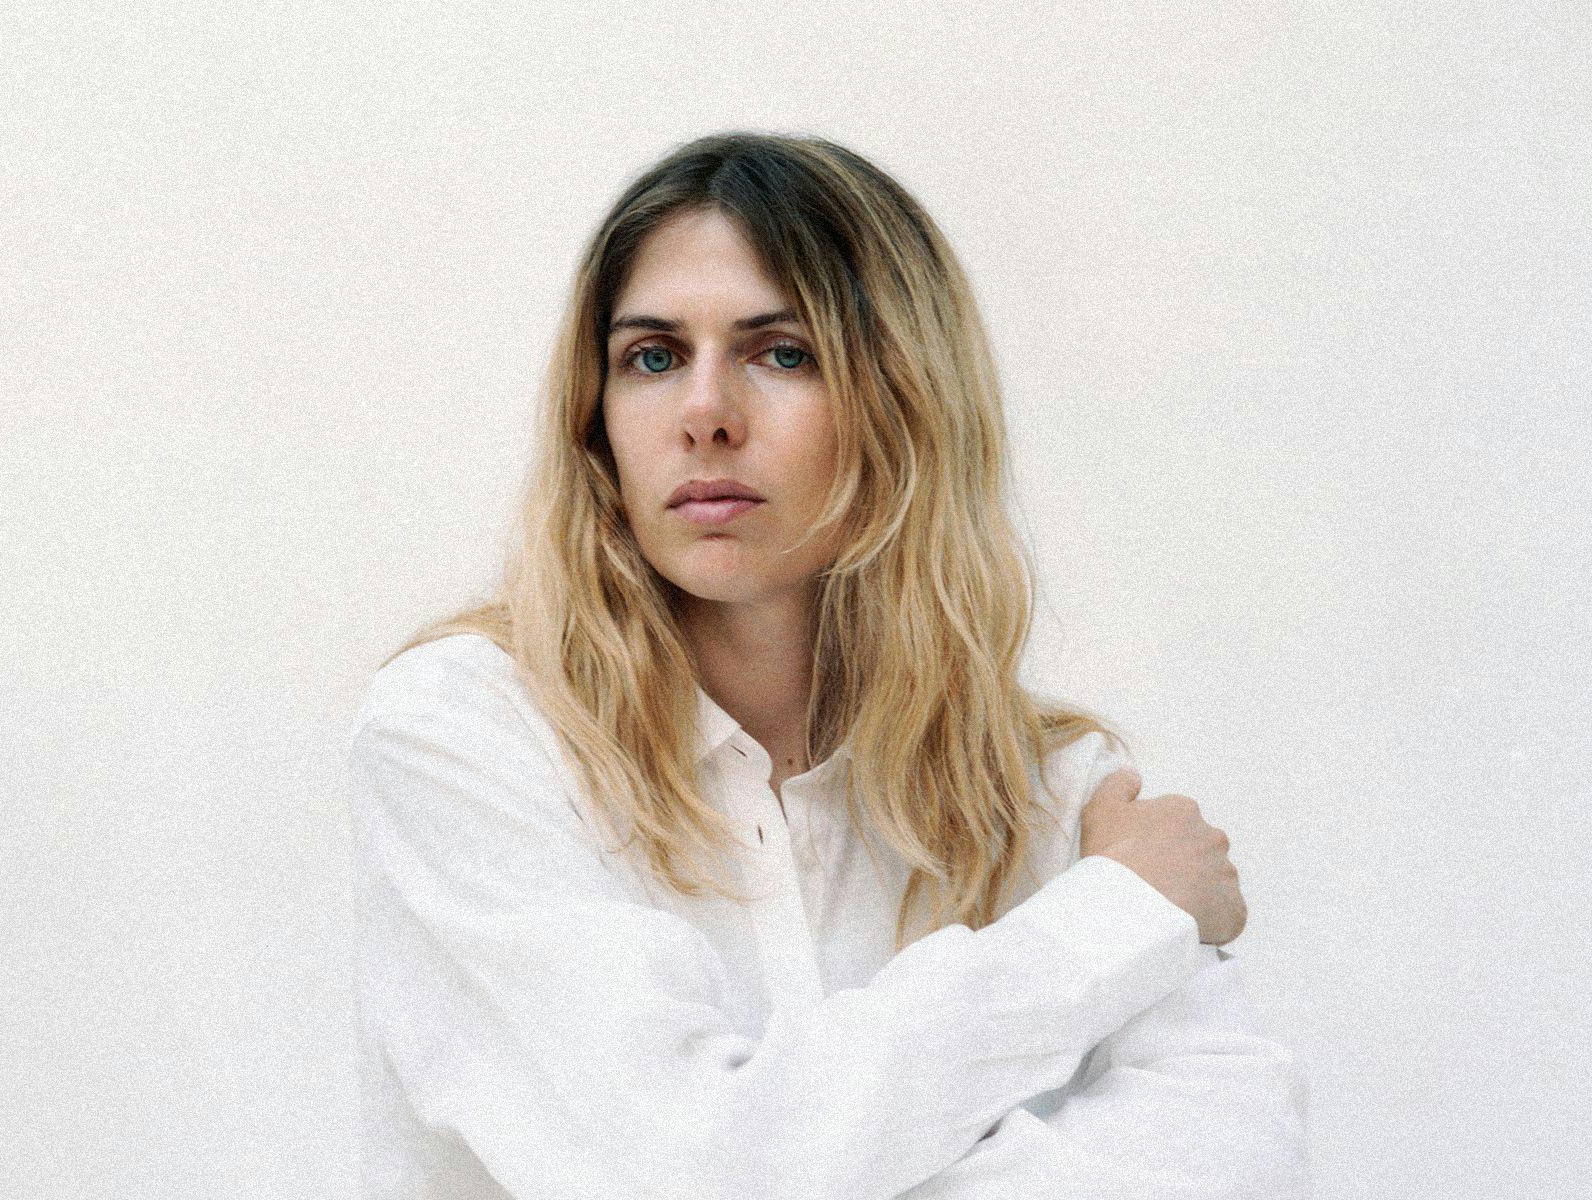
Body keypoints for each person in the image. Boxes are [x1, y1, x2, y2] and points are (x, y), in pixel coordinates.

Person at [345, 131, 1311, 1198]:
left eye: (782, 353)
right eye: (652, 357)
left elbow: (1235, 1160)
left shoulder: (1049, 787)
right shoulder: (463, 737)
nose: (705, 414)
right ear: (596, 419)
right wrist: (1115, 921)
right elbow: (681, 1170)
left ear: (904, 401)